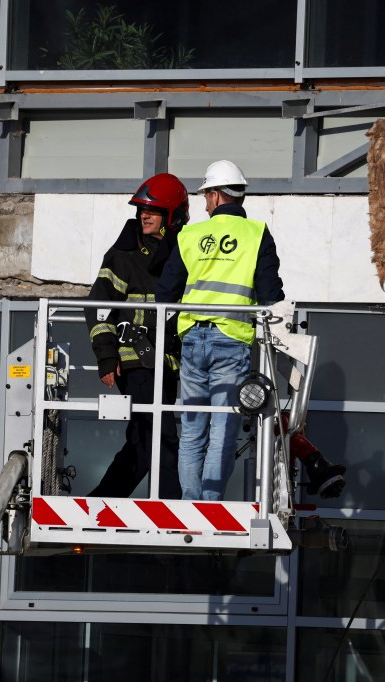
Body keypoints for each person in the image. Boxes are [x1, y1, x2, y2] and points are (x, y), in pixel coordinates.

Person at [156, 160, 284, 501]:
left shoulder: (190, 235)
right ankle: (209, 506)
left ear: (215, 195)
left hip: (193, 339)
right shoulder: (256, 233)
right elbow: (271, 296)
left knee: (192, 429)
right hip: (231, 341)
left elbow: (164, 294)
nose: (203, 202)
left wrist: (173, 333)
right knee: (223, 430)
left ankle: (189, 503)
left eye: (206, 195)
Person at [86, 173, 189, 499]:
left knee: (142, 441)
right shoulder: (123, 256)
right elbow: (98, 309)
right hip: (134, 361)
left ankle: (101, 502)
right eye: (141, 210)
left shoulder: (184, 254)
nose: (144, 215)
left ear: (172, 217)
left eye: (153, 211)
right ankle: (173, 513)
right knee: (162, 434)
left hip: (167, 365)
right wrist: (106, 356)